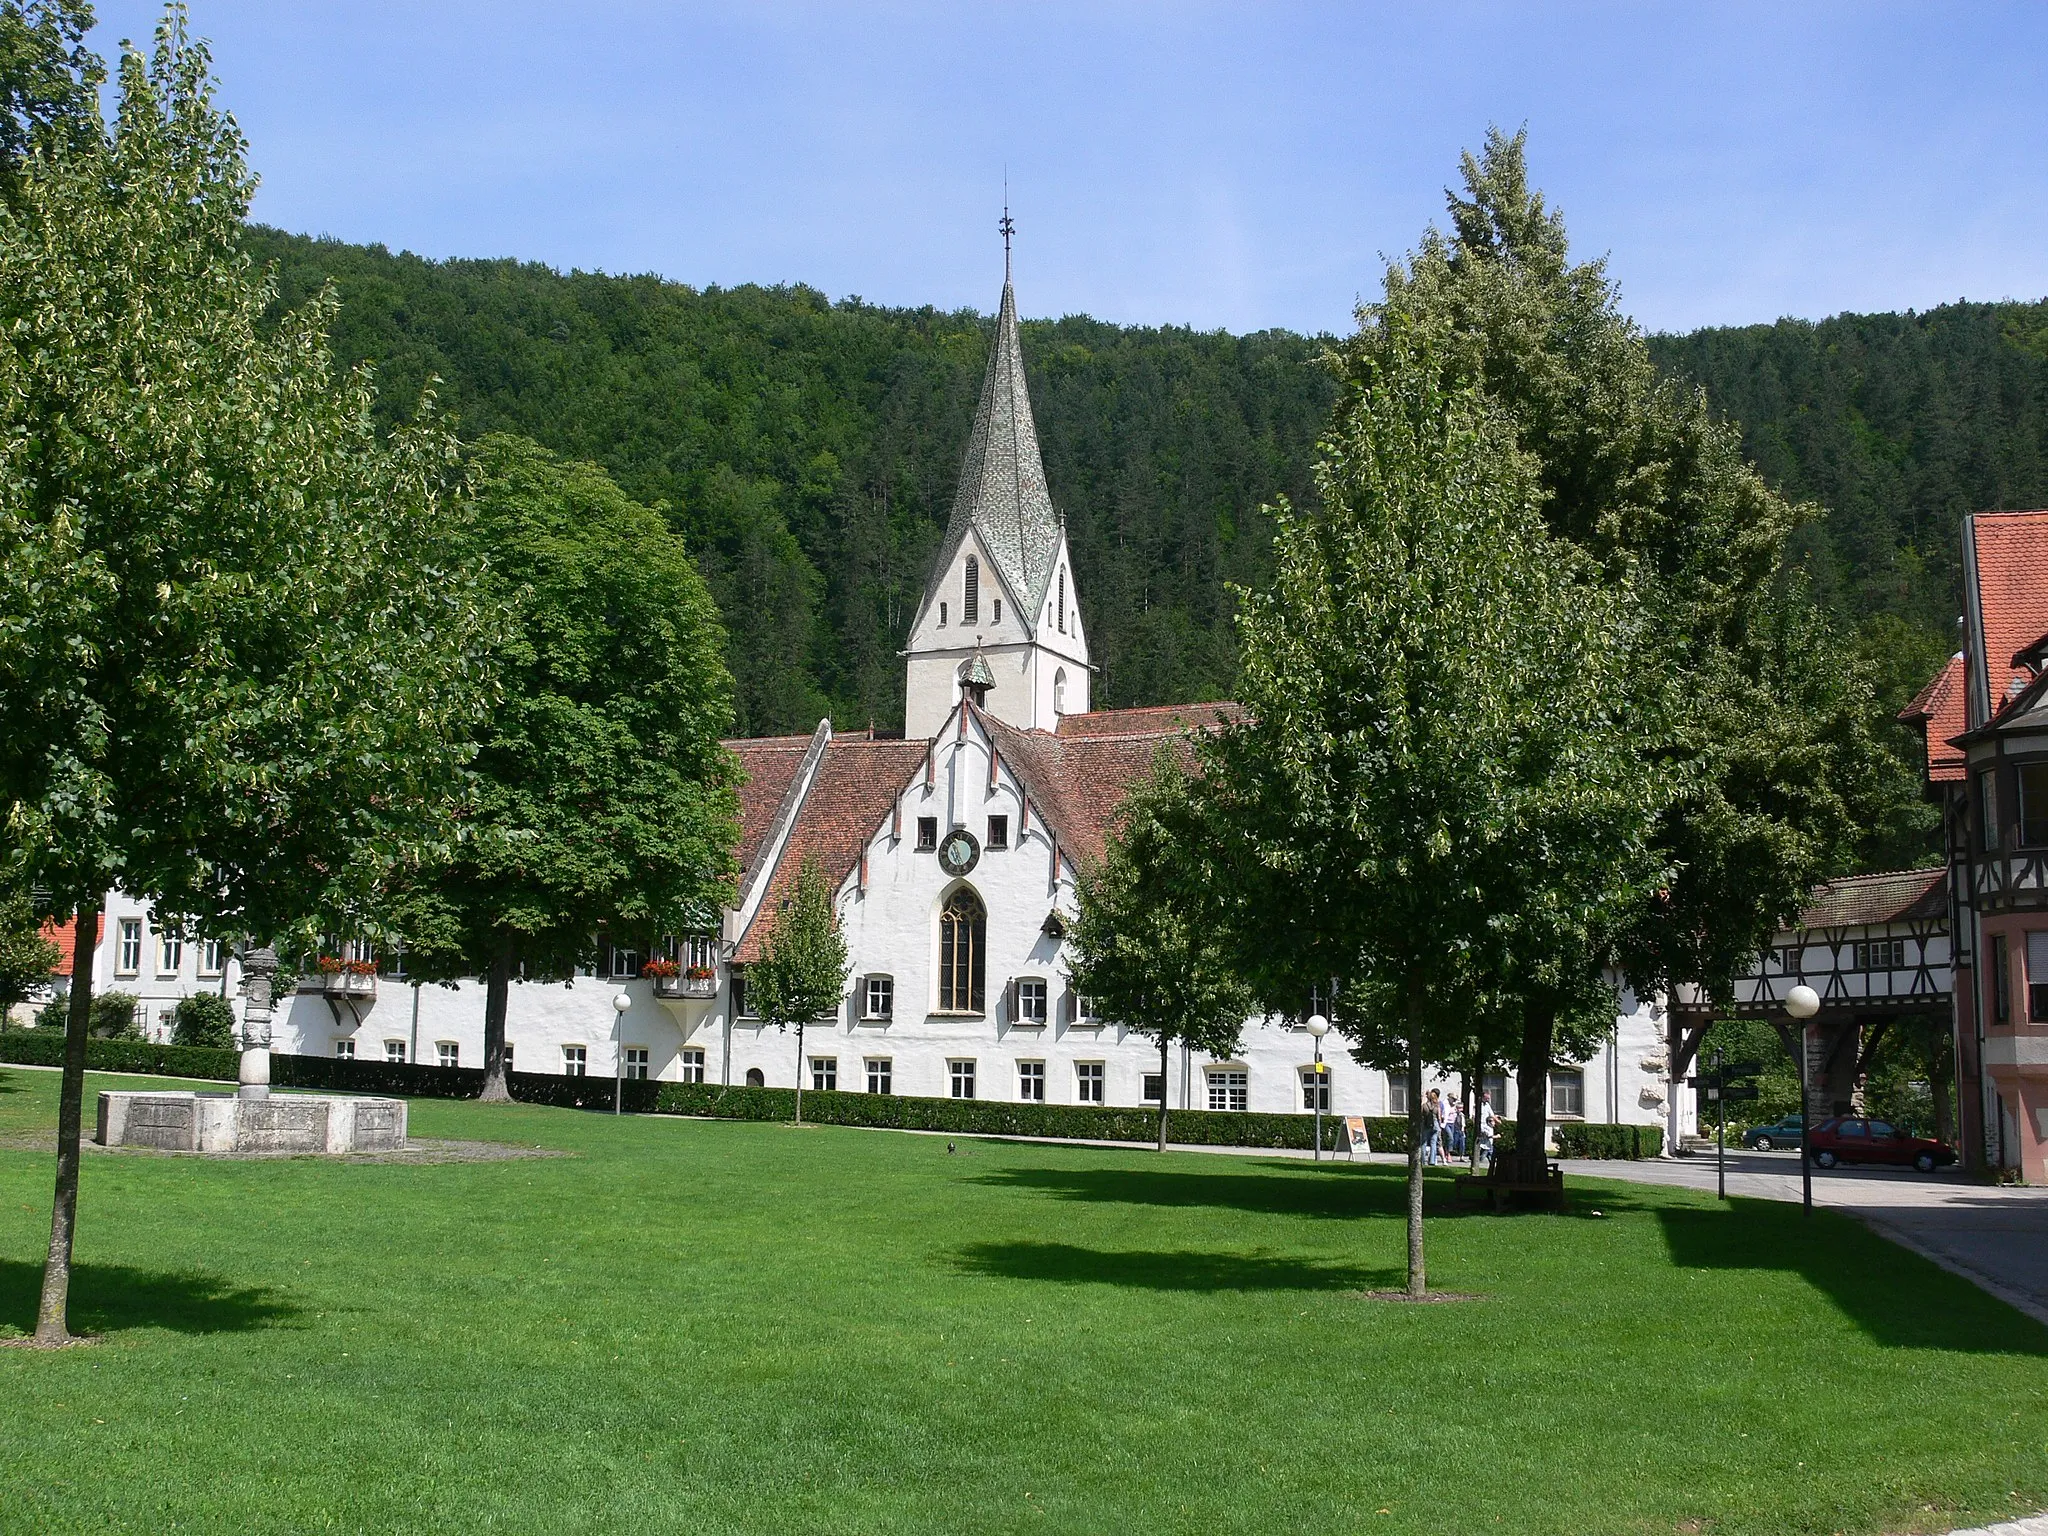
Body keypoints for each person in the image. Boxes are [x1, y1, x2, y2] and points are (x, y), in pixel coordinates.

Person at [1476, 1090, 1498, 1169]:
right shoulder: (1478, 1105)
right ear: (1483, 1097)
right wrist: (1497, 1136)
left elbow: (1492, 1115)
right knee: (1486, 1147)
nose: (1488, 1099)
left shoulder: (1487, 1105)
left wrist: (1498, 1121)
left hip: (1487, 1125)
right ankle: (1478, 1160)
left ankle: (1491, 1164)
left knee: (1488, 1149)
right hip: (1482, 1126)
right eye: (1487, 1098)